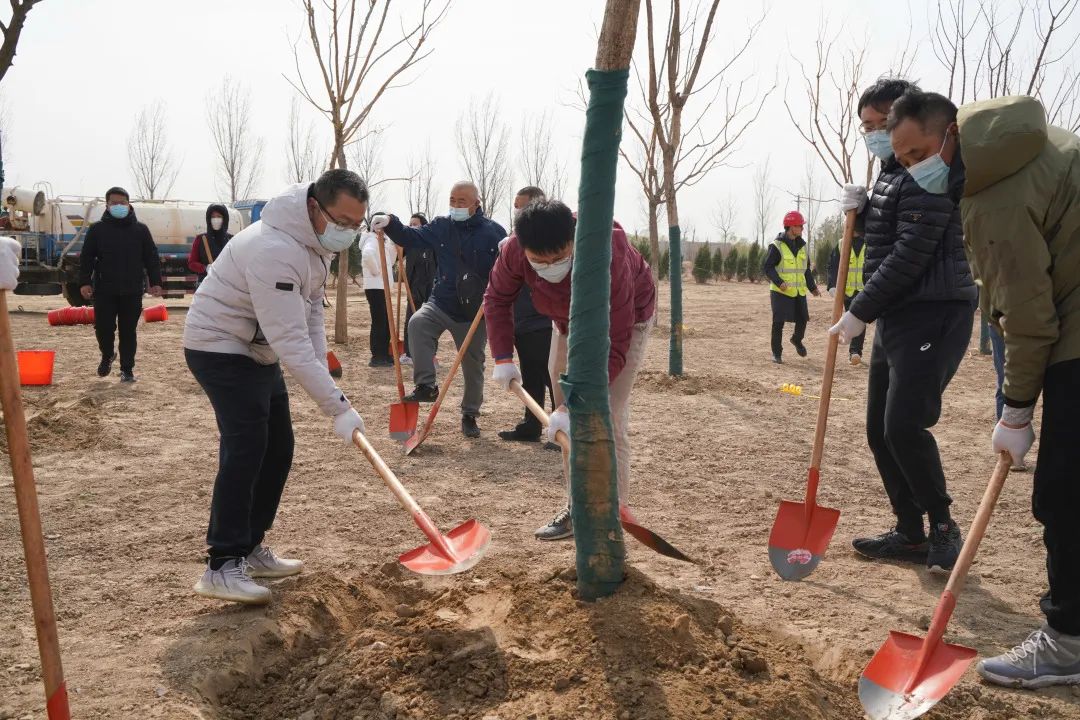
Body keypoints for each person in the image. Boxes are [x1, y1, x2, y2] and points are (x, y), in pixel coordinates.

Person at [887, 91, 1080, 687]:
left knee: (1064, 493)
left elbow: (1028, 318)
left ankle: (1069, 642)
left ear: (950, 134)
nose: (914, 168)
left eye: (919, 153)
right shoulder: (1030, 145)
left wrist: (1016, 409)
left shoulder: (996, 196)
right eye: (902, 160)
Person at [182, 170, 368, 605]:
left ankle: (250, 547)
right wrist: (337, 406)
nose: (347, 232)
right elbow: (290, 340)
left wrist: (328, 383)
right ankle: (222, 565)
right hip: (219, 347)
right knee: (247, 446)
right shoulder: (275, 249)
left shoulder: (316, 245)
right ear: (314, 207)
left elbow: (311, 315)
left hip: (257, 348)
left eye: (356, 224)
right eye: (342, 221)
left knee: (279, 447)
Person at [830, 79, 977, 574]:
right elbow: (890, 234)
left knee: (904, 426)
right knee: (879, 429)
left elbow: (911, 253)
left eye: (880, 123)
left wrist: (860, 309)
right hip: (898, 314)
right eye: (867, 127)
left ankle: (942, 527)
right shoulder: (894, 172)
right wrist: (863, 214)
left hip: (933, 311)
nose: (876, 135)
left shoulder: (927, 172)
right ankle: (910, 531)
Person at [484, 199, 656, 540]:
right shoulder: (515, 250)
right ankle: (577, 509)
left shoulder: (609, 253)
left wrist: (576, 404)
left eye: (559, 258)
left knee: (605, 414)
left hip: (624, 321)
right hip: (565, 320)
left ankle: (610, 515)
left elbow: (615, 342)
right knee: (565, 420)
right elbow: (497, 299)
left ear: (573, 239)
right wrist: (502, 356)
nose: (550, 267)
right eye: (540, 261)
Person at [370, 182, 506, 439]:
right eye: (452, 200)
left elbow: (506, 271)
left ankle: (470, 414)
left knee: (473, 365)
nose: (455, 205)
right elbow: (411, 237)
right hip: (441, 302)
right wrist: (390, 222)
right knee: (417, 323)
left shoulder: (494, 233)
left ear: (476, 203)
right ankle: (426, 385)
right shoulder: (442, 226)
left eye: (462, 201)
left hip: (473, 312)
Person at [78, 186, 163, 383]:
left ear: (129, 204)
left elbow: (151, 257)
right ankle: (107, 355)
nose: (119, 206)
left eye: (122, 203)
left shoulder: (141, 230)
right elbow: (86, 258)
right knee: (103, 328)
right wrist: (84, 282)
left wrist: (155, 282)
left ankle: (127, 369)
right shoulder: (97, 230)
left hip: (132, 290)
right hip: (104, 290)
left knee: (128, 331)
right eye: (114, 203)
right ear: (107, 206)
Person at [499, 186, 555, 443]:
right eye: (515, 207)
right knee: (531, 376)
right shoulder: (513, 243)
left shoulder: (548, 241)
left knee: (552, 377)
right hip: (521, 320)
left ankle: (562, 428)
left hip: (543, 321)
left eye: (521, 207)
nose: (517, 213)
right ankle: (532, 424)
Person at [762, 210, 821, 364]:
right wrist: (779, 282)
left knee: (803, 319)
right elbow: (768, 267)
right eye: (800, 225)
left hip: (798, 291)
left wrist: (812, 288)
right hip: (780, 291)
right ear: (791, 227)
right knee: (778, 322)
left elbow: (805, 269)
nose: (802, 228)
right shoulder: (777, 246)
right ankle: (776, 353)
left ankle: (796, 339)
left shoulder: (803, 246)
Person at [826, 212, 867, 364]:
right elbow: (832, 266)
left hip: (864, 290)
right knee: (852, 318)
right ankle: (853, 350)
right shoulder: (841, 243)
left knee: (860, 318)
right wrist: (831, 285)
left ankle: (855, 352)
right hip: (847, 291)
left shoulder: (868, 243)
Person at [402, 213, 438, 366]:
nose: (412, 227)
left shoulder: (431, 243)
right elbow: (396, 256)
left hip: (430, 289)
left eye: (415, 224)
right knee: (410, 321)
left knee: (430, 322)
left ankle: (431, 355)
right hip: (413, 289)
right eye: (410, 224)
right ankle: (409, 353)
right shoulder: (409, 244)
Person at [360, 228, 396, 367]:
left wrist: (392, 245)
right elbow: (367, 255)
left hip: (382, 286)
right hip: (375, 286)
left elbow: (391, 261)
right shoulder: (371, 240)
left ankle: (384, 353)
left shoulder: (382, 241)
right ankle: (377, 356)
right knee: (379, 321)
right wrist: (376, 272)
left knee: (385, 320)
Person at [188, 204, 232, 282]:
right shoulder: (201, 239)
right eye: (213, 217)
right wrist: (205, 268)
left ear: (225, 219)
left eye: (219, 216)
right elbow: (191, 263)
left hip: (227, 283)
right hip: (206, 283)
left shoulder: (231, 240)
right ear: (209, 219)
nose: (216, 219)